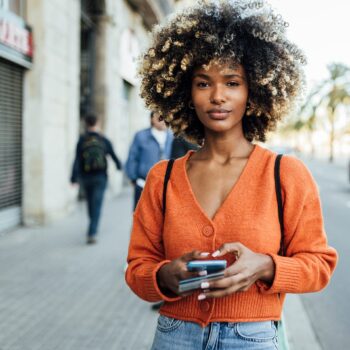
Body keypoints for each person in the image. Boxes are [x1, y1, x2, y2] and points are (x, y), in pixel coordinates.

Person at [125, 1, 338, 349]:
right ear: (186, 93)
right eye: (203, 83)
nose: (218, 96)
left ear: (253, 90)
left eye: (232, 82)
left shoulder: (284, 174)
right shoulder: (162, 178)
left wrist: (266, 267)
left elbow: (319, 265)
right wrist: (164, 276)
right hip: (174, 335)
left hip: (253, 338)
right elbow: (137, 268)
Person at [71, 114, 122, 244]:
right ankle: (92, 232)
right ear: (97, 123)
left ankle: (92, 226)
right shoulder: (103, 139)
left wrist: (74, 178)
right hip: (100, 177)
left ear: (86, 124)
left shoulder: (82, 140)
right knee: (97, 204)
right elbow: (113, 155)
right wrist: (119, 166)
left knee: (90, 203)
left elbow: (77, 159)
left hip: (86, 177)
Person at [125, 111, 173, 210]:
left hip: (166, 186)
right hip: (143, 184)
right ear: (152, 119)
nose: (163, 120)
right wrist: (134, 179)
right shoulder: (141, 136)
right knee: (141, 218)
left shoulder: (172, 138)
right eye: (159, 117)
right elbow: (132, 157)